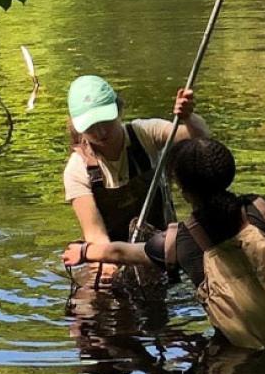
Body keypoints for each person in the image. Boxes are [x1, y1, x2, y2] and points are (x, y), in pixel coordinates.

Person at [63, 137, 265, 353]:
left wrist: (84, 252)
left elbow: (123, 252)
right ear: (228, 173)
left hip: (260, 354)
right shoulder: (263, 209)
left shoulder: (182, 242)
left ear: (183, 191)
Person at [63, 75, 209, 285]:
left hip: (163, 246)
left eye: (106, 121)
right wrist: (113, 271)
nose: (101, 132)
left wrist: (188, 118)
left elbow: (202, 141)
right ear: (78, 127)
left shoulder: (145, 133)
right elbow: (95, 236)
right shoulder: (77, 170)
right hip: (112, 254)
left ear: (119, 110)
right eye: (91, 126)